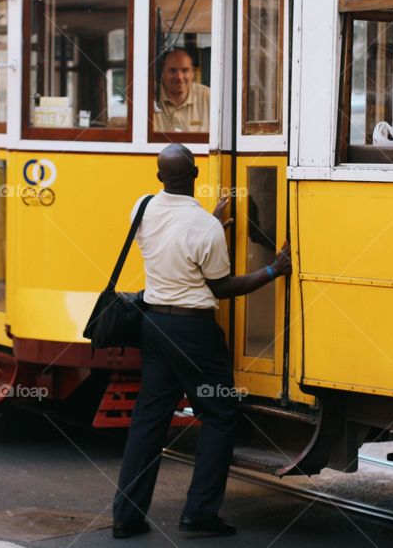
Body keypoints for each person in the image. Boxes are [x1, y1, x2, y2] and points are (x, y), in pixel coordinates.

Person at [112, 143, 291, 540]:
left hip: (154, 327)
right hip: (194, 334)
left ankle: (126, 516)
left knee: (149, 420)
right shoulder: (204, 229)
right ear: (195, 174)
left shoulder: (141, 207)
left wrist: (210, 221)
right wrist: (272, 269)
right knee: (220, 415)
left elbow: (173, 239)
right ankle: (199, 514)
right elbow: (223, 287)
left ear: (160, 177)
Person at [154, 48, 210, 134]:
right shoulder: (149, 97)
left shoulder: (208, 97)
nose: (179, 77)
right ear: (162, 73)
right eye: (172, 70)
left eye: (185, 70)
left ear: (193, 73)